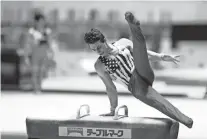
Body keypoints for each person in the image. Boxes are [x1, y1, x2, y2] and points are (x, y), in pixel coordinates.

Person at [84, 12, 193, 128]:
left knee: (139, 47)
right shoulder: (99, 65)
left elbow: (143, 54)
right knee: (160, 103)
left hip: (141, 70)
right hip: (135, 86)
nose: (98, 51)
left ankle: (134, 25)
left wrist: (162, 57)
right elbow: (110, 88)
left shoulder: (123, 43)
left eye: (99, 47)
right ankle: (187, 121)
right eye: (94, 50)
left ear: (104, 40)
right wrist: (113, 109)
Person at [24, 12, 54, 93]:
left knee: (41, 71)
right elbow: (28, 44)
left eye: (43, 21)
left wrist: (51, 54)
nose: (42, 23)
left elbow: (50, 44)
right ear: (36, 21)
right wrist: (26, 56)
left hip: (44, 52)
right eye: (40, 21)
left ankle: (39, 87)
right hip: (35, 53)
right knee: (35, 71)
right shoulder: (31, 32)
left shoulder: (47, 31)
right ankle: (35, 88)